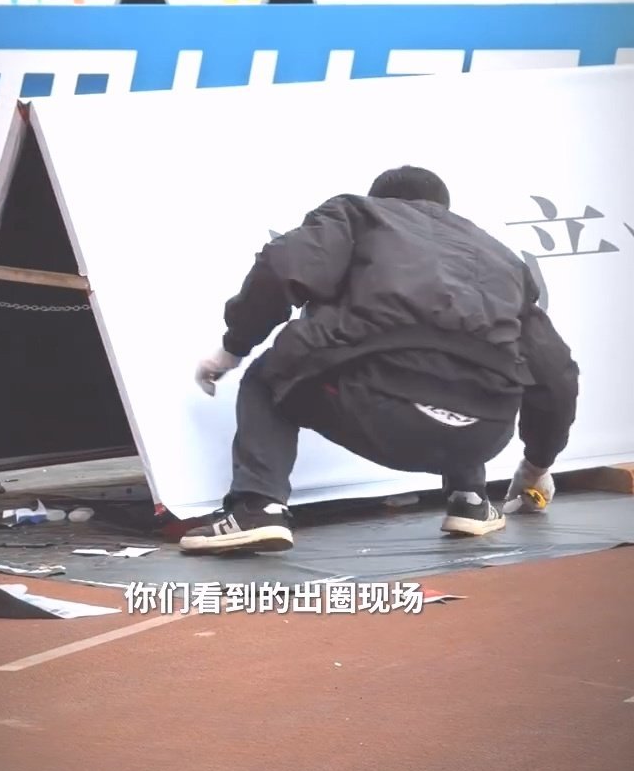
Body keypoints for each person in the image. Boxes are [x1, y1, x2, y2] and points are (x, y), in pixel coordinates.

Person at [181, 166, 579, 555]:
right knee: (465, 363)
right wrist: (536, 468)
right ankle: (470, 499)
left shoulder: (358, 213)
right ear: (444, 207)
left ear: (381, 199)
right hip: (482, 432)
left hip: (373, 405)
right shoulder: (500, 257)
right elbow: (556, 372)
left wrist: (234, 347)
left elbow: (281, 266)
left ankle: (259, 507)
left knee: (266, 378)